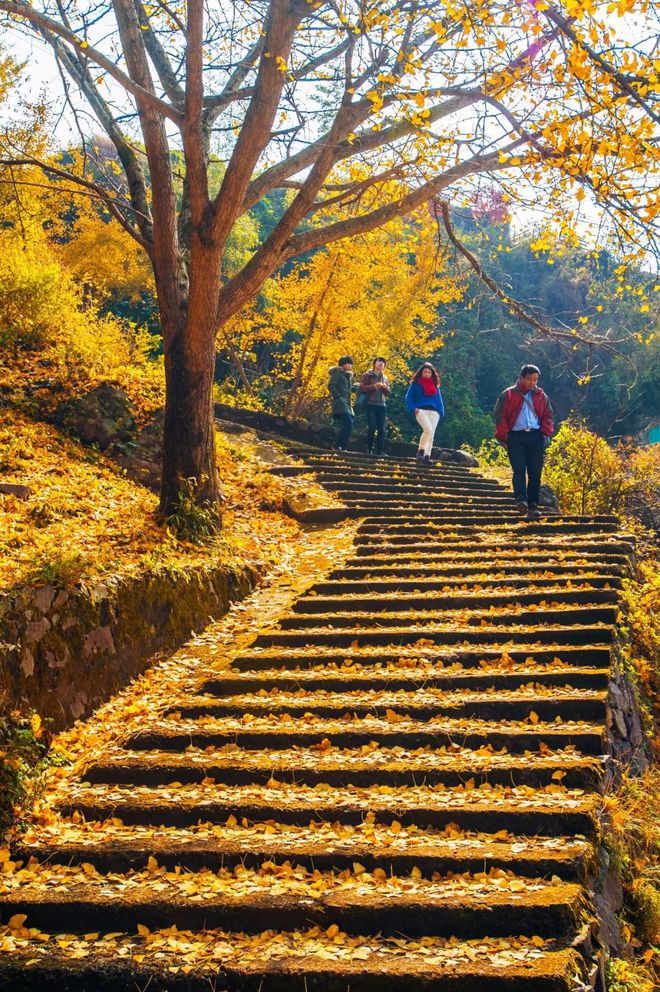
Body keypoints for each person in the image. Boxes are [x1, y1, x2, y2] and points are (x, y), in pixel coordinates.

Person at [494, 363, 554, 519]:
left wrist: (545, 433)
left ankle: (533, 505)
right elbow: (499, 415)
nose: (532, 382)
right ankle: (520, 500)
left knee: (535, 473)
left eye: (535, 379)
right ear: (521, 378)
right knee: (519, 470)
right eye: (529, 379)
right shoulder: (508, 394)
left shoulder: (541, 395)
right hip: (516, 436)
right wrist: (506, 436)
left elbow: (548, 415)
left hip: (535, 436)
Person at [405, 362, 445, 465]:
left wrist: (440, 412)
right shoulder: (415, 384)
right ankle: (421, 451)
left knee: (431, 435)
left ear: (432, 374)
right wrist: (413, 409)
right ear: (421, 373)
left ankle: (427, 456)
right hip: (421, 411)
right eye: (425, 372)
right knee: (428, 429)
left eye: (429, 372)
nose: (427, 374)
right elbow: (408, 398)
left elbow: (439, 400)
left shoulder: (435, 386)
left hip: (434, 412)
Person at [359, 356, 391, 456]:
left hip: (382, 405)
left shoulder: (385, 378)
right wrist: (374, 386)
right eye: (379, 361)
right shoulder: (368, 375)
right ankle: (369, 448)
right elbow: (361, 388)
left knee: (382, 428)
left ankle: (380, 450)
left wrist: (385, 387)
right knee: (372, 426)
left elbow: (389, 393)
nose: (381, 363)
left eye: (383, 362)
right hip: (370, 404)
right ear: (375, 363)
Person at [328, 356, 355, 450]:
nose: (350, 366)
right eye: (349, 363)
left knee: (349, 423)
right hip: (340, 402)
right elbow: (331, 385)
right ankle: (338, 445)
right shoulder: (337, 373)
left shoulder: (347, 376)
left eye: (351, 364)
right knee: (348, 423)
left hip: (347, 403)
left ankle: (341, 446)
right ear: (343, 364)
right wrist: (338, 396)